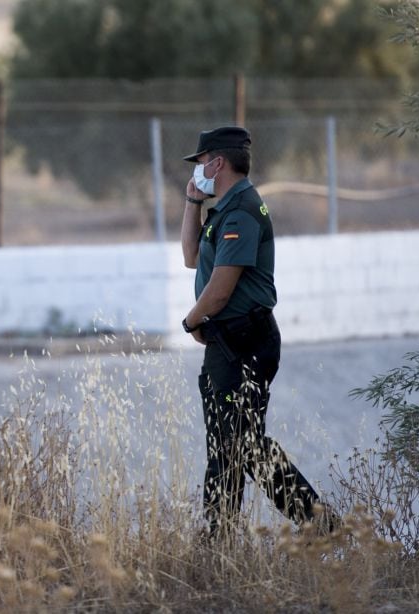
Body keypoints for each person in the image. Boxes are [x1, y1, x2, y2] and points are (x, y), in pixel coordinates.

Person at [179, 126, 333, 539]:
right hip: (226, 343)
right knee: (228, 445)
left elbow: (220, 288)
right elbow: (192, 257)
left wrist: (191, 321)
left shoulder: (243, 211)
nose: (197, 173)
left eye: (200, 165)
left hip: (244, 343)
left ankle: (318, 523)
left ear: (218, 162)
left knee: (243, 444)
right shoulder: (226, 207)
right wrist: (192, 203)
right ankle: (223, 536)